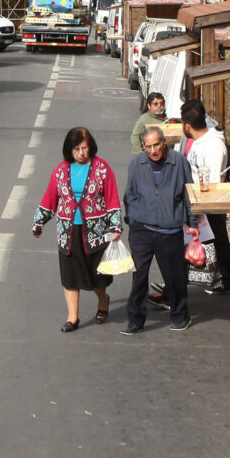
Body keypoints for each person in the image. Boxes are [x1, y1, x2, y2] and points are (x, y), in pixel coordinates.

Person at [30, 126, 122, 332]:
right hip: (68, 232)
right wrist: (38, 222)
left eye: (85, 148)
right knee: (70, 276)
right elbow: (50, 199)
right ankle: (73, 317)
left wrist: (115, 225)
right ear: (69, 150)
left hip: (96, 233)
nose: (81, 153)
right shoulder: (61, 170)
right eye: (77, 149)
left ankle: (102, 300)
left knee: (97, 275)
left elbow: (112, 198)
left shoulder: (102, 168)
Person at [120, 124, 194, 333]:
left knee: (174, 277)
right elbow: (130, 195)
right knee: (139, 276)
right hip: (142, 230)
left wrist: (193, 223)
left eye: (156, 145)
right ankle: (135, 320)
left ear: (164, 143)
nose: (153, 151)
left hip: (170, 231)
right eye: (148, 146)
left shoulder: (179, 162)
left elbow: (189, 195)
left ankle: (180, 316)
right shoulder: (137, 164)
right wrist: (133, 219)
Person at [179, 98, 230, 304]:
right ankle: (173, 290)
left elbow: (214, 181)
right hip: (197, 205)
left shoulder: (214, 145)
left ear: (187, 125)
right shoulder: (202, 142)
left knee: (222, 248)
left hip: (207, 208)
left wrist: (200, 210)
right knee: (185, 246)